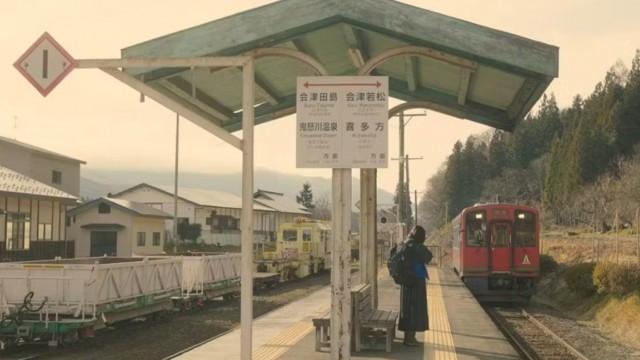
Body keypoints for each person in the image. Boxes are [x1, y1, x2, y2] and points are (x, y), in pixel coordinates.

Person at [398, 225, 433, 346]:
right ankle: (409, 339)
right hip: (415, 280)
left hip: (407, 281)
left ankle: (409, 337)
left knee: (408, 308)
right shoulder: (416, 246)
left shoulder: (406, 243)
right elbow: (428, 256)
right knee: (414, 309)